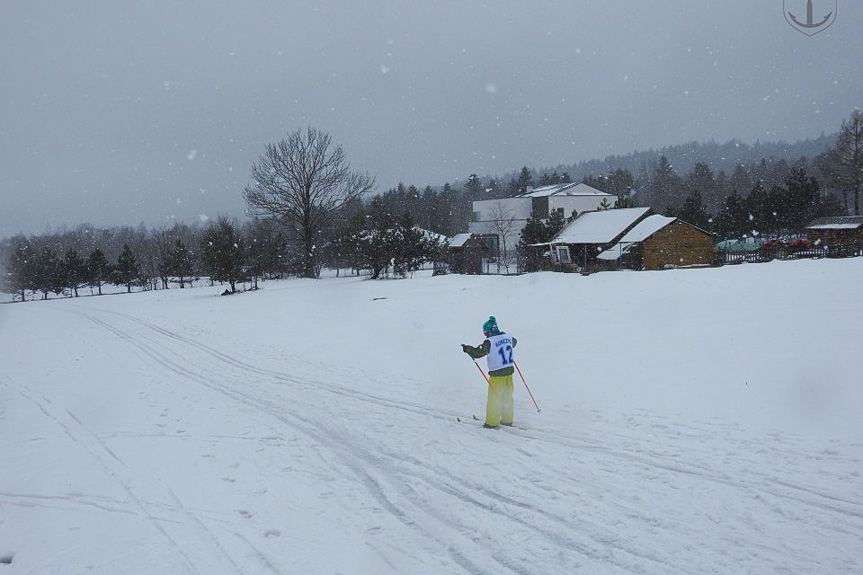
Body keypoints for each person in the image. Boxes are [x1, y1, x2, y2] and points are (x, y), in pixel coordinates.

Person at [461, 316, 517, 428]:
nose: (485, 335)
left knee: (494, 398)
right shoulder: (509, 337)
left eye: (486, 333)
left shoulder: (489, 342)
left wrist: (468, 349)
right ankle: (507, 419)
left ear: (489, 332)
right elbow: (514, 342)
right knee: (507, 396)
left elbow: (479, 353)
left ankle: (492, 422)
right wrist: (503, 336)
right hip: (509, 372)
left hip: (497, 375)